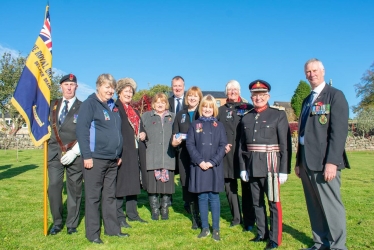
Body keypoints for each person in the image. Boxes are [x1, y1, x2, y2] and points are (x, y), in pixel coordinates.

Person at [295, 58, 349, 250]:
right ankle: (320, 243)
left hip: (325, 162)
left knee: (331, 206)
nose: (312, 74)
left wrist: (332, 162)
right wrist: (297, 162)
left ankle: (337, 246)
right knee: (315, 206)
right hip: (306, 162)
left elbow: (339, 132)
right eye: (308, 71)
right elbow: (303, 132)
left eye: (315, 70)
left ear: (323, 71)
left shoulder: (335, 95)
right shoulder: (306, 100)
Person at [76, 74, 128, 244]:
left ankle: (113, 230)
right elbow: (82, 131)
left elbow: (117, 132)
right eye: (107, 87)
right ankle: (93, 234)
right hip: (95, 159)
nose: (110, 90)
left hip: (112, 159)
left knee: (109, 196)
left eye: (112, 87)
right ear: (98, 86)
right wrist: (87, 155)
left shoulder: (113, 106)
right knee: (93, 197)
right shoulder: (89, 104)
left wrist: (118, 154)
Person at [239, 80, 291, 249]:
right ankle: (262, 233)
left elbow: (285, 145)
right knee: (256, 202)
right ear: (251, 97)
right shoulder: (246, 117)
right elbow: (242, 146)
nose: (258, 98)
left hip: (271, 166)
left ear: (268, 96)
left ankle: (275, 238)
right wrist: (242, 168)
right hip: (252, 166)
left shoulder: (278, 115)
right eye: (255, 95)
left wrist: (284, 170)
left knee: (273, 203)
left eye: (262, 95)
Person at [186, 95, 227, 241]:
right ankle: (205, 228)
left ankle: (216, 229)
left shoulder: (219, 126)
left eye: (210, 107)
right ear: (201, 107)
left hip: (214, 167)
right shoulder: (194, 124)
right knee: (202, 197)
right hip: (199, 167)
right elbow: (189, 144)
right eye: (205, 106)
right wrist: (200, 161)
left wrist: (212, 162)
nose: (207, 109)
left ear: (214, 109)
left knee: (214, 198)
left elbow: (223, 145)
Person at [217, 80, 256, 230]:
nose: (232, 92)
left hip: (244, 154)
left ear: (239, 91)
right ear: (226, 92)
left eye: (235, 89)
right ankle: (236, 218)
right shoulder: (220, 110)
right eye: (230, 89)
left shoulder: (248, 108)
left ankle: (249, 220)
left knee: (247, 189)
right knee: (230, 188)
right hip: (227, 155)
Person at [48, 74, 82, 235]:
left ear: (76, 87)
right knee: (54, 186)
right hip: (54, 152)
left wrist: (75, 152)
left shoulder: (83, 107)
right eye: (66, 84)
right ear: (60, 86)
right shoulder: (51, 104)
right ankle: (57, 222)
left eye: (72, 84)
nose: (69, 87)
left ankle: (71, 224)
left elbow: (87, 132)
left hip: (74, 153)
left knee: (74, 189)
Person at [115, 78, 148, 228]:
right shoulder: (115, 107)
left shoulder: (134, 110)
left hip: (134, 151)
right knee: (121, 184)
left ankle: (133, 213)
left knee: (133, 183)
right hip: (122, 150)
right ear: (119, 92)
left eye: (131, 91)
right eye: (126, 91)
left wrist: (143, 133)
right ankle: (119, 216)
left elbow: (141, 127)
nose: (129, 93)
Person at [171, 86, 202, 229]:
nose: (192, 98)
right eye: (190, 95)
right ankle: (194, 217)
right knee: (186, 184)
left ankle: (201, 213)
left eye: (195, 96)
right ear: (186, 97)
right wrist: (174, 141)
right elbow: (174, 135)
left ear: (199, 98)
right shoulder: (180, 114)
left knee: (199, 184)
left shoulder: (203, 112)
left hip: (199, 154)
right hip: (183, 154)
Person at [141, 93, 176, 220]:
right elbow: (139, 130)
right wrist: (142, 133)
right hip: (152, 155)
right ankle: (155, 211)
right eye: (157, 102)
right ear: (153, 104)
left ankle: (165, 210)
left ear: (166, 103)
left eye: (163, 101)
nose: (160, 104)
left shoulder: (173, 116)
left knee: (166, 187)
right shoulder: (146, 116)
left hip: (168, 156)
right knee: (153, 187)